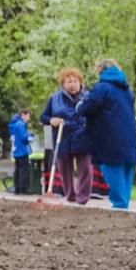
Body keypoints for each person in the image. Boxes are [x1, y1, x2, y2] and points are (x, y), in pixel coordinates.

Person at [77, 60, 136, 209]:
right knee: (126, 168)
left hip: (108, 135)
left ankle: (120, 205)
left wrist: (79, 106)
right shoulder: (127, 90)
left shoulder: (101, 88)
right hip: (129, 135)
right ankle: (124, 203)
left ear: (100, 71)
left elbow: (88, 108)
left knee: (112, 167)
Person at [40, 68, 92, 204]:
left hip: (83, 136)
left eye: (76, 81)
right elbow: (44, 116)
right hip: (61, 137)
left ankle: (82, 197)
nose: (73, 84)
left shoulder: (88, 97)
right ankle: (70, 195)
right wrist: (52, 120)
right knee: (64, 169)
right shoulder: (54, 98)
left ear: (80, 82)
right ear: (63, 84)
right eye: (69, 81)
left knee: (85, 168)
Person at [8, 109, 34, 195]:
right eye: (28, 116)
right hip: (22, 151)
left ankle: (17, 189)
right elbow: (24, 138)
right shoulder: (21, 124)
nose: (29, 118)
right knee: (24, 170)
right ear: (23, 115)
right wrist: (30, 137)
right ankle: (24, 189)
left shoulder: (15, 124)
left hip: (16, 151)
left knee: (18, 170)